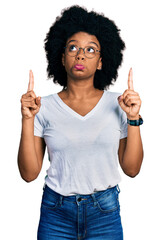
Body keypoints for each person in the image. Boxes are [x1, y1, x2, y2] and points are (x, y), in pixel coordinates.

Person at [17, 5, 144, 240]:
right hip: (55, 214)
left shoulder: (120, 104)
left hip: (104, 214)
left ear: (101, 62)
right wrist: (27, 119)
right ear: (62, 57)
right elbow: (29, 173)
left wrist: (133, 118)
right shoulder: (41, 107)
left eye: (90, 50)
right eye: (73, 47)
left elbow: (132, 169)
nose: (81, 55)